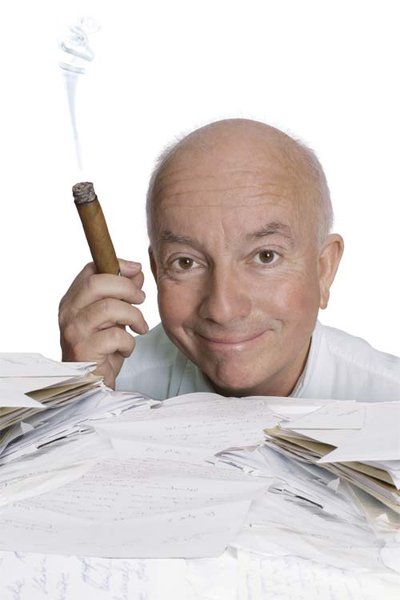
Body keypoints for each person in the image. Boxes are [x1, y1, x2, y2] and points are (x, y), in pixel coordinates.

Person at [59, 119, 400, 402]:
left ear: (324, 269)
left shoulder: (389, 402)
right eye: (185, 263)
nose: (223, 310)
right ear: (157, 270)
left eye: (265, 256)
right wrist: (77, 405)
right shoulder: (109, 386)